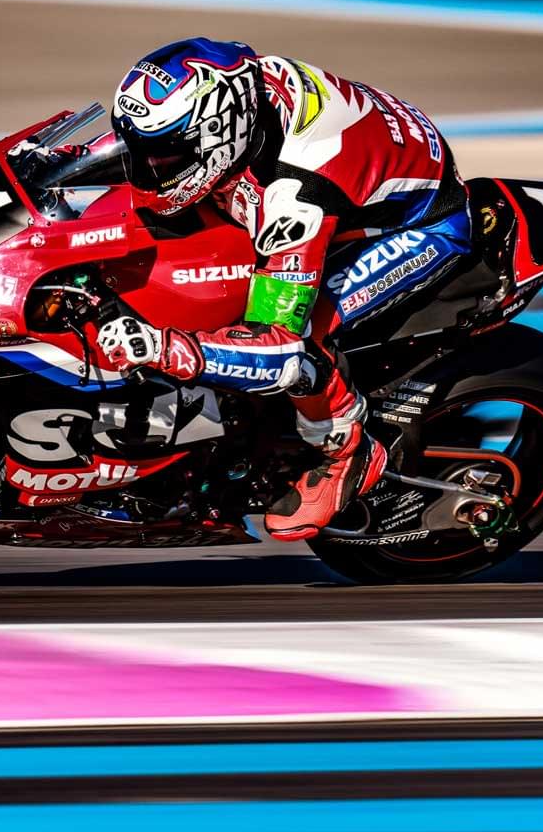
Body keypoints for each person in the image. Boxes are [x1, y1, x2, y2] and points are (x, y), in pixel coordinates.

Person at [94, 37, 470, 540]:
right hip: (357, 166)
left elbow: (279, 347)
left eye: (165, 155)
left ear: (218, 134)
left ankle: (347, 451)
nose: (148, 168)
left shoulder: (297, 198)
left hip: (415, 226)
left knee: (303, 342)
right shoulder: (230, 86)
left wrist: (168, 348)